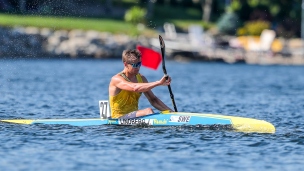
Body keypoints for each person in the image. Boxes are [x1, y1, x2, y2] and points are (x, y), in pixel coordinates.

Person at [109, 49, 173, 119]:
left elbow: (153, 100)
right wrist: (158, 83)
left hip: (134, 118)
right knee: (148, 111)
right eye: (135, 65)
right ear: (126, 64)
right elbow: (135, 88)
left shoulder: (141, 78)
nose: (138, 67)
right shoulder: (116, 79)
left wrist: (172, 113)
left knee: (159, 112)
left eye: (139, 64)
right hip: (118, 118)